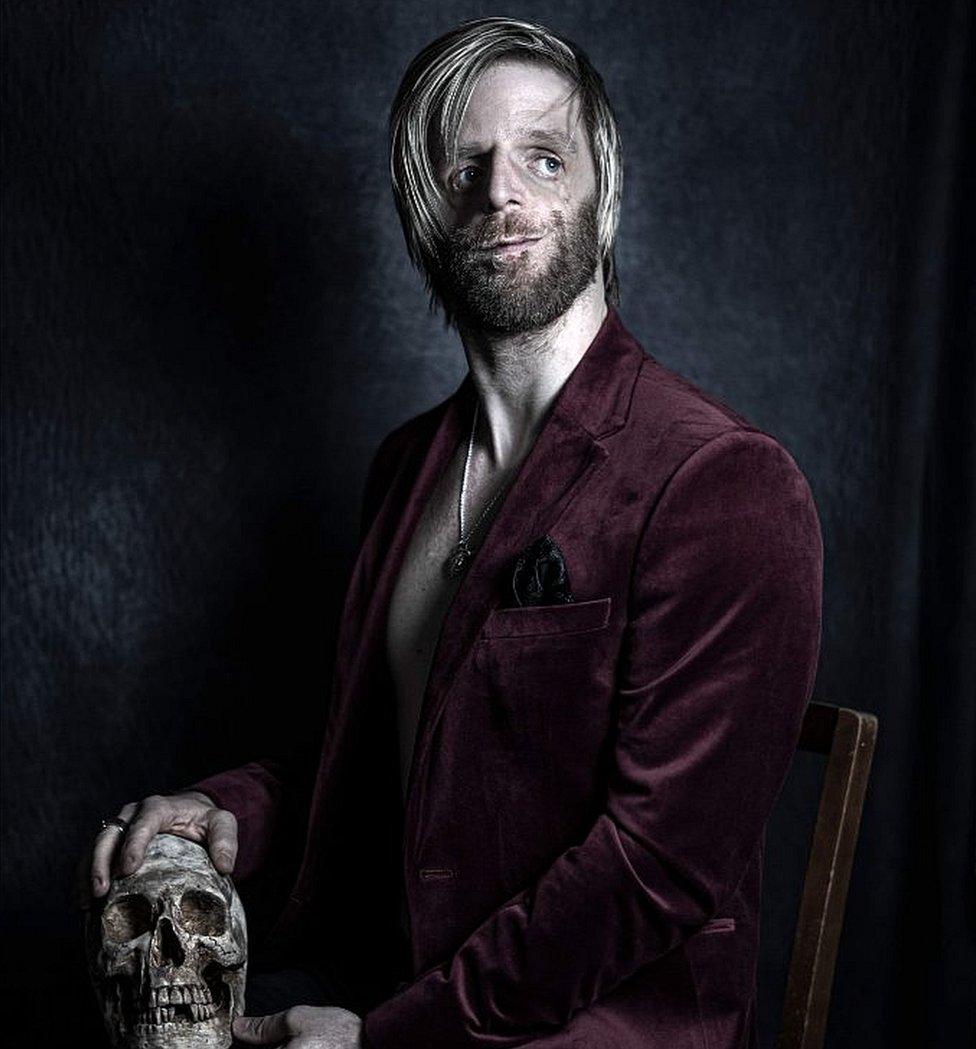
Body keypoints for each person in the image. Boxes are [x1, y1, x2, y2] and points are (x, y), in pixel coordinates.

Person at [86, 17, 823, 1049]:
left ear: (598, 195)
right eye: (462, 164)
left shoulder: (723, 483)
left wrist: (387, 1036)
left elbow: (651, 870)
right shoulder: (407, 468)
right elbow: (397, 754)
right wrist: (229, 814)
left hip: (593, 1026)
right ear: (419, 209)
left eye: (543, 156)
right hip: (392, 983)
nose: (500, 191)